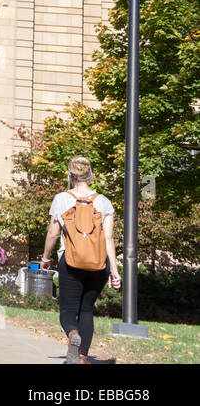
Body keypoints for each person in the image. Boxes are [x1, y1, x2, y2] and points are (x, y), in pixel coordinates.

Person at [40, 156, 121, 364]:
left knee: (67, 310)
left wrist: (46, 257)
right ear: (90, 175)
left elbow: (52, 234)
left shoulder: (61, 199)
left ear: (70, 174)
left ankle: (73, 335)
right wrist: (114, 271)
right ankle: (82, 356)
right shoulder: (104, 202)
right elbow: (109, 239)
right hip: (98, 264)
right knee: (86, 308)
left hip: (71, 262)